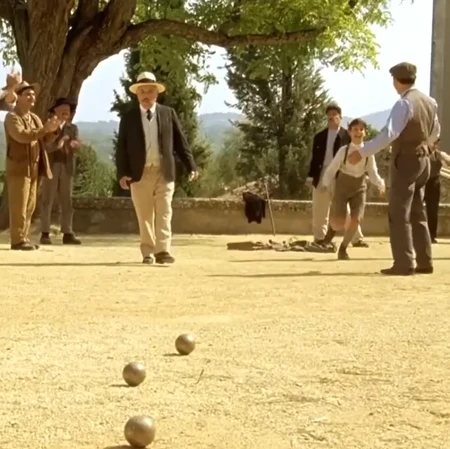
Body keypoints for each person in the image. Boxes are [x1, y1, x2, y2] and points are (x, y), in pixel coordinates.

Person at [348, 62, 440, 275]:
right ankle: (425, 260)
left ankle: (404, 262)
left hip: (406, 160)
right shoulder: (430, 102)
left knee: (399, 212)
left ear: (396, 80)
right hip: (423, 161)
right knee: (418, 211)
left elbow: (389, 134)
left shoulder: (404, 104)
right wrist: (426, 145)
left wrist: (362, 152)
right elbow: (436, 131)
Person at [116, 71, 198, 264]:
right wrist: (122, 173)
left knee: (165, 211)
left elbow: (181, 142)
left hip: (164, 171)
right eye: (142, 91)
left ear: (157, 93)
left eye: (150, 91)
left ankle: (163, 251)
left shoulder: (168, 113)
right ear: (137, 94)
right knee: (144, 214)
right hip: (139, 173)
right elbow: (122, 148)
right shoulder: (129, 118)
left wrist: (191, 166)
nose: (146, 95)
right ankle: (148, 252)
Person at [5, 81, 60, 250]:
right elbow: (22, 136)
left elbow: (45, 139)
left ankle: (25, 237)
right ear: (18, 97)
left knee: (30, 205)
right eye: (27, 94)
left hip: (34, 168)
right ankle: (17, 240)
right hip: (19, 168)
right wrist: (44, 129)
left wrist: (53, 129)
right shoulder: (12, 117)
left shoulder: (34, 118)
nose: (32, 97)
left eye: (33, 94)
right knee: (19, 206)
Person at [321, 118, 385, 260]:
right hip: (342, 186)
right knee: (339, 222)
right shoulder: (343, 151)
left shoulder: (368, 153)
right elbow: (332, 169)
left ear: (365, 133)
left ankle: (343, 248)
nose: (358, 132)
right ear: (349, 132)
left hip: (359, 187)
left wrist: (380, 184)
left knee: (356, 219)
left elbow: (373, 173)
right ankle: (332, 231)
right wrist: (325, 184)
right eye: (355, 129)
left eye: (361, 129)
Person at [306, 104, 368, 249]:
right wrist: (310, 176)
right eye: (329, 114)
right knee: (319, 206)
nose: (331, 116)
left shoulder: (347, 135)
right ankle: (319, 238)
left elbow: (357, 153)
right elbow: (315, 158)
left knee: (345, 207)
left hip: (342, 174)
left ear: (340, 117)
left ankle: (356, 238)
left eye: (334, 114)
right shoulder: (319, 136)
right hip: (322, 173)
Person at [40, 97, 82, 245]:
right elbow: (45, 147)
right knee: (47, 200)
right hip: (51, 166)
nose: (66, 112)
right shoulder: (49, 126)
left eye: (68, 110)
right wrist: (59, 143)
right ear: (55, 111)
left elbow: (74, 147)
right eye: (63, 109)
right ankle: (45, 233)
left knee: (67, 201)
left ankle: (68, 232)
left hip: (67, 166)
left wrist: (74, 145)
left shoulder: (73, 128)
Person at [424, 139, 442, 244]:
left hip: (434, 184)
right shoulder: (422, 153)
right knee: (416, 208)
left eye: (436, 143)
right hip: (422, 183)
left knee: (433, 211)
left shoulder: (439, 155)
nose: (434, 145)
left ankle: (432, 235)